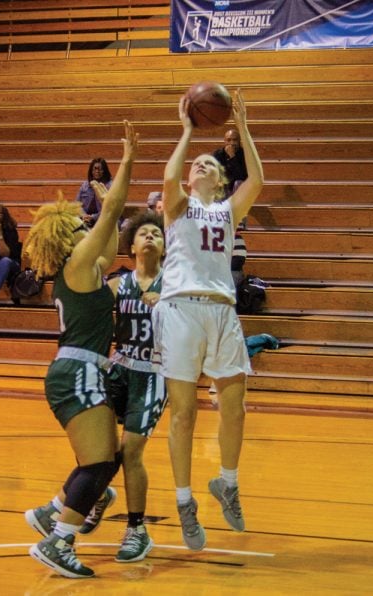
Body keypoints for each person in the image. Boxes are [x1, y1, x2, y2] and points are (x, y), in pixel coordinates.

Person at [22, 120, 137, 579]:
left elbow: (109, 234)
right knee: (100, 462)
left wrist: (110, 207)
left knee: (106, 460)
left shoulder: (85, 267)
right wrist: (127, 161)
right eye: (77, 222)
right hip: (79, 371)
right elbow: (110, 216)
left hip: (79, 369)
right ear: (67, 235)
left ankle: (54, 511)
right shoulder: (77, 263)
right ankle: (59, 540)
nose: (83, 220)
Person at [154, 88, 263, 551]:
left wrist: (244, 125)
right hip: (180, 309)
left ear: (220, 181)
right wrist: (187, 131)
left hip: (221, 310)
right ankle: (184, 502)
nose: (200, 165)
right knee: (183, 415)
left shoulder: (226, 209)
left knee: (234, 407)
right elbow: (169, 174)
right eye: (196, 164)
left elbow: (257, 179)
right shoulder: (177, 207)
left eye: (210, 164)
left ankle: (228, 482)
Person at [104, 211, 166, 562]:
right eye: (143, 232)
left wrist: (170, 306)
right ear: (131, 244)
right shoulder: (117, 285)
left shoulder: (174, 285)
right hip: (120, 365)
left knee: (130, 452)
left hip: (155, 371)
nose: (149, 237)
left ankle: (137, 529)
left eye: (156, 233)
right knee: (96, 440)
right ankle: (99, 495)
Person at [75, 158, 112, 227]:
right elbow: (77, 204)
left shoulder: (110, 186)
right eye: (95, 169)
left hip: (103, 219)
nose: (97, 171)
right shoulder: (85, 185)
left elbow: (109, 209)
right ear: (91, 171)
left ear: (105, 171)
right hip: (85, 218)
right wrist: (83, 215)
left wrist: (93, 217)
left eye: (100, 169)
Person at [212, 128, 248, 197]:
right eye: (229, 140)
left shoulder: (245, 154)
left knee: (239, 183)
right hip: (223, 188)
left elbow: (242, 176)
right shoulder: (218, 154)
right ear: (225, 141)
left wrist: (232, 157)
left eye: (235, 140)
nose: (232, 143)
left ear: (239, 141)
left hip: (238, 188)